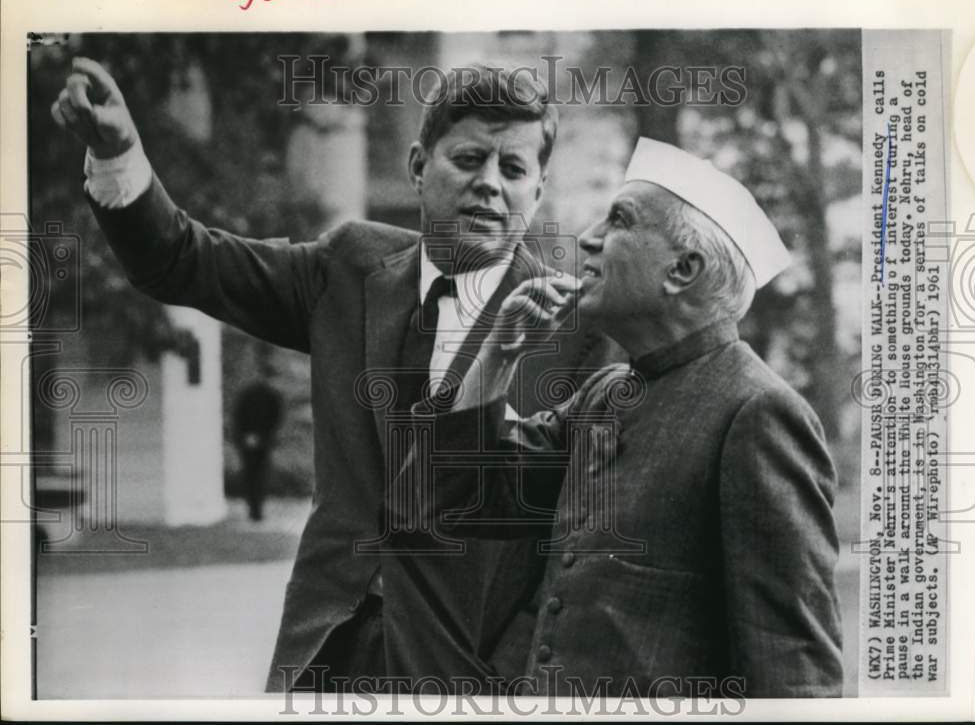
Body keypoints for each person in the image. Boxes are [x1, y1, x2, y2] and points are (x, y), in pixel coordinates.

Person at [50, 57, 618, 692]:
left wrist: (505, 677)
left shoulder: (576, 331)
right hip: (326, 652)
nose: (489, 183)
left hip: (465, 674)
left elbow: (582, 544)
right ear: (418, 166)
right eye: (468, 159)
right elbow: (184, 261)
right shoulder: (347, 267)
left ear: (537, 192)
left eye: (513, 169)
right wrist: (119, 154)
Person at [397, 137, 844, 697]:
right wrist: (498, 354)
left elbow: (792, 669)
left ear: (682, 269)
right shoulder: (603, 394)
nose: (588, 238)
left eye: (619, 221)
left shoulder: (758, 412)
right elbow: (454, 491)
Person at [232, 359, 285, 522]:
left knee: (258, 475)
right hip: (250, 440)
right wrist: (248, 436)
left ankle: (257, 509)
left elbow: (275, 419)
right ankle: (253, 508)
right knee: (252, 474)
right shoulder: (251, 394)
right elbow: (239, 416)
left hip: (260, 441)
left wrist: (258, 436)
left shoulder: (271, 396)